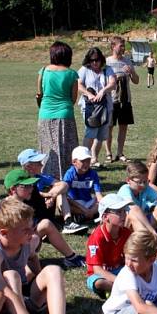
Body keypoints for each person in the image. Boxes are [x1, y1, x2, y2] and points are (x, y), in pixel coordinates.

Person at [0, 169, 86, 268]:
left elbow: (41, 214)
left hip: (28, 239)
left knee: (45, 225)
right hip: (12, 246)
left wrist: (50, 199)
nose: (31, 188)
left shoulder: (32, 194)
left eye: (31, 185)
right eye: (26, 186)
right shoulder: (5, 210)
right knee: (35, 235)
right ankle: (20, 265)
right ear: (13, 189)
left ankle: (72, 258)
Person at [36, 41, 80, 179]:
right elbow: (73, 99)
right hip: (64, 114)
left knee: (48, 149)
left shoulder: (43, 71)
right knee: (66, 148)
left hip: (45, 114)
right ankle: (66, 177)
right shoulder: (72, 74)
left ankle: (47, 177)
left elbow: (39, 94)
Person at [17, 148, 81, 234]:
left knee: (60, 192)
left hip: (44, 209)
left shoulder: (41, 177)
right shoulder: (21, 180)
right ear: (29, 167)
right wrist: (45, 195)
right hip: (32, 214)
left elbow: (64, 185)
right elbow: (30, 194)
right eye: (38, 163)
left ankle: (68, 222)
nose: (42, 165)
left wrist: (51, 195)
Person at [85, 194, 136, 298]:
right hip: (99, 274)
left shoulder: (126, 233)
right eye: (119, 212)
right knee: (98, 283)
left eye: (124, 211)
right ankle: (124, 290)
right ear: (105, 217)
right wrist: (120, 281)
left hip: (119, 269)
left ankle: (117, 291)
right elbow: (97, 270)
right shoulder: (97, 237)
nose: (124, 215)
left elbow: (131, 255)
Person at [118, 161, 157, 246]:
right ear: (128, 180)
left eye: (145, 181)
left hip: (142, 226)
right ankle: (147, 247)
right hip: (124, 229)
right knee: (132, 215)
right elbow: (135, 210)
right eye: (139, 182)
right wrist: (153, 232)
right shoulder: (125, 190)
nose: (143, 185)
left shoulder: (146, 188)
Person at [78, 47, 117, 166]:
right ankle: (83, 160)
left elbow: (113, 83)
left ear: (101, 60)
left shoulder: (107, 69)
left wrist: (103, 91)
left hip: (106, 106)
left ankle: (94, 159)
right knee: (91, 132)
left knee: (101, 135)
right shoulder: (85, 69)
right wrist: (88, 94)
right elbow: (78, 84)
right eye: (92, 60)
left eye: (97, 60)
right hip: (90, 108)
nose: (94, 63)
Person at [104, 36, 139, 163]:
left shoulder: (127, 61)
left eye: (124, 46)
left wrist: (131, 73)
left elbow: (136, 81)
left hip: (125, 100)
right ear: (113, 47)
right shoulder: (107, 62)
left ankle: (120, 153)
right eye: (121, 46)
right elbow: (102, 81)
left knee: (123, 127)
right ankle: (108, 153)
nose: (123, 48)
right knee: (109, 127)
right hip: (111, 100)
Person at [62, 146, 103, 225]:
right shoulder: (70, 174)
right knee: (62, 204)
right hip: (75, 204)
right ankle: (85, 215)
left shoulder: (93, 174)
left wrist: (104, 203)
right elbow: (66, 197)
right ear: (74, 162)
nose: (86, 163)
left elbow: (98, 194)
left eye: (88, 160)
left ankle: (87, 215)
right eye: (83, 161)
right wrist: (84, 210)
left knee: (104, 200)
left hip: (88, 202)